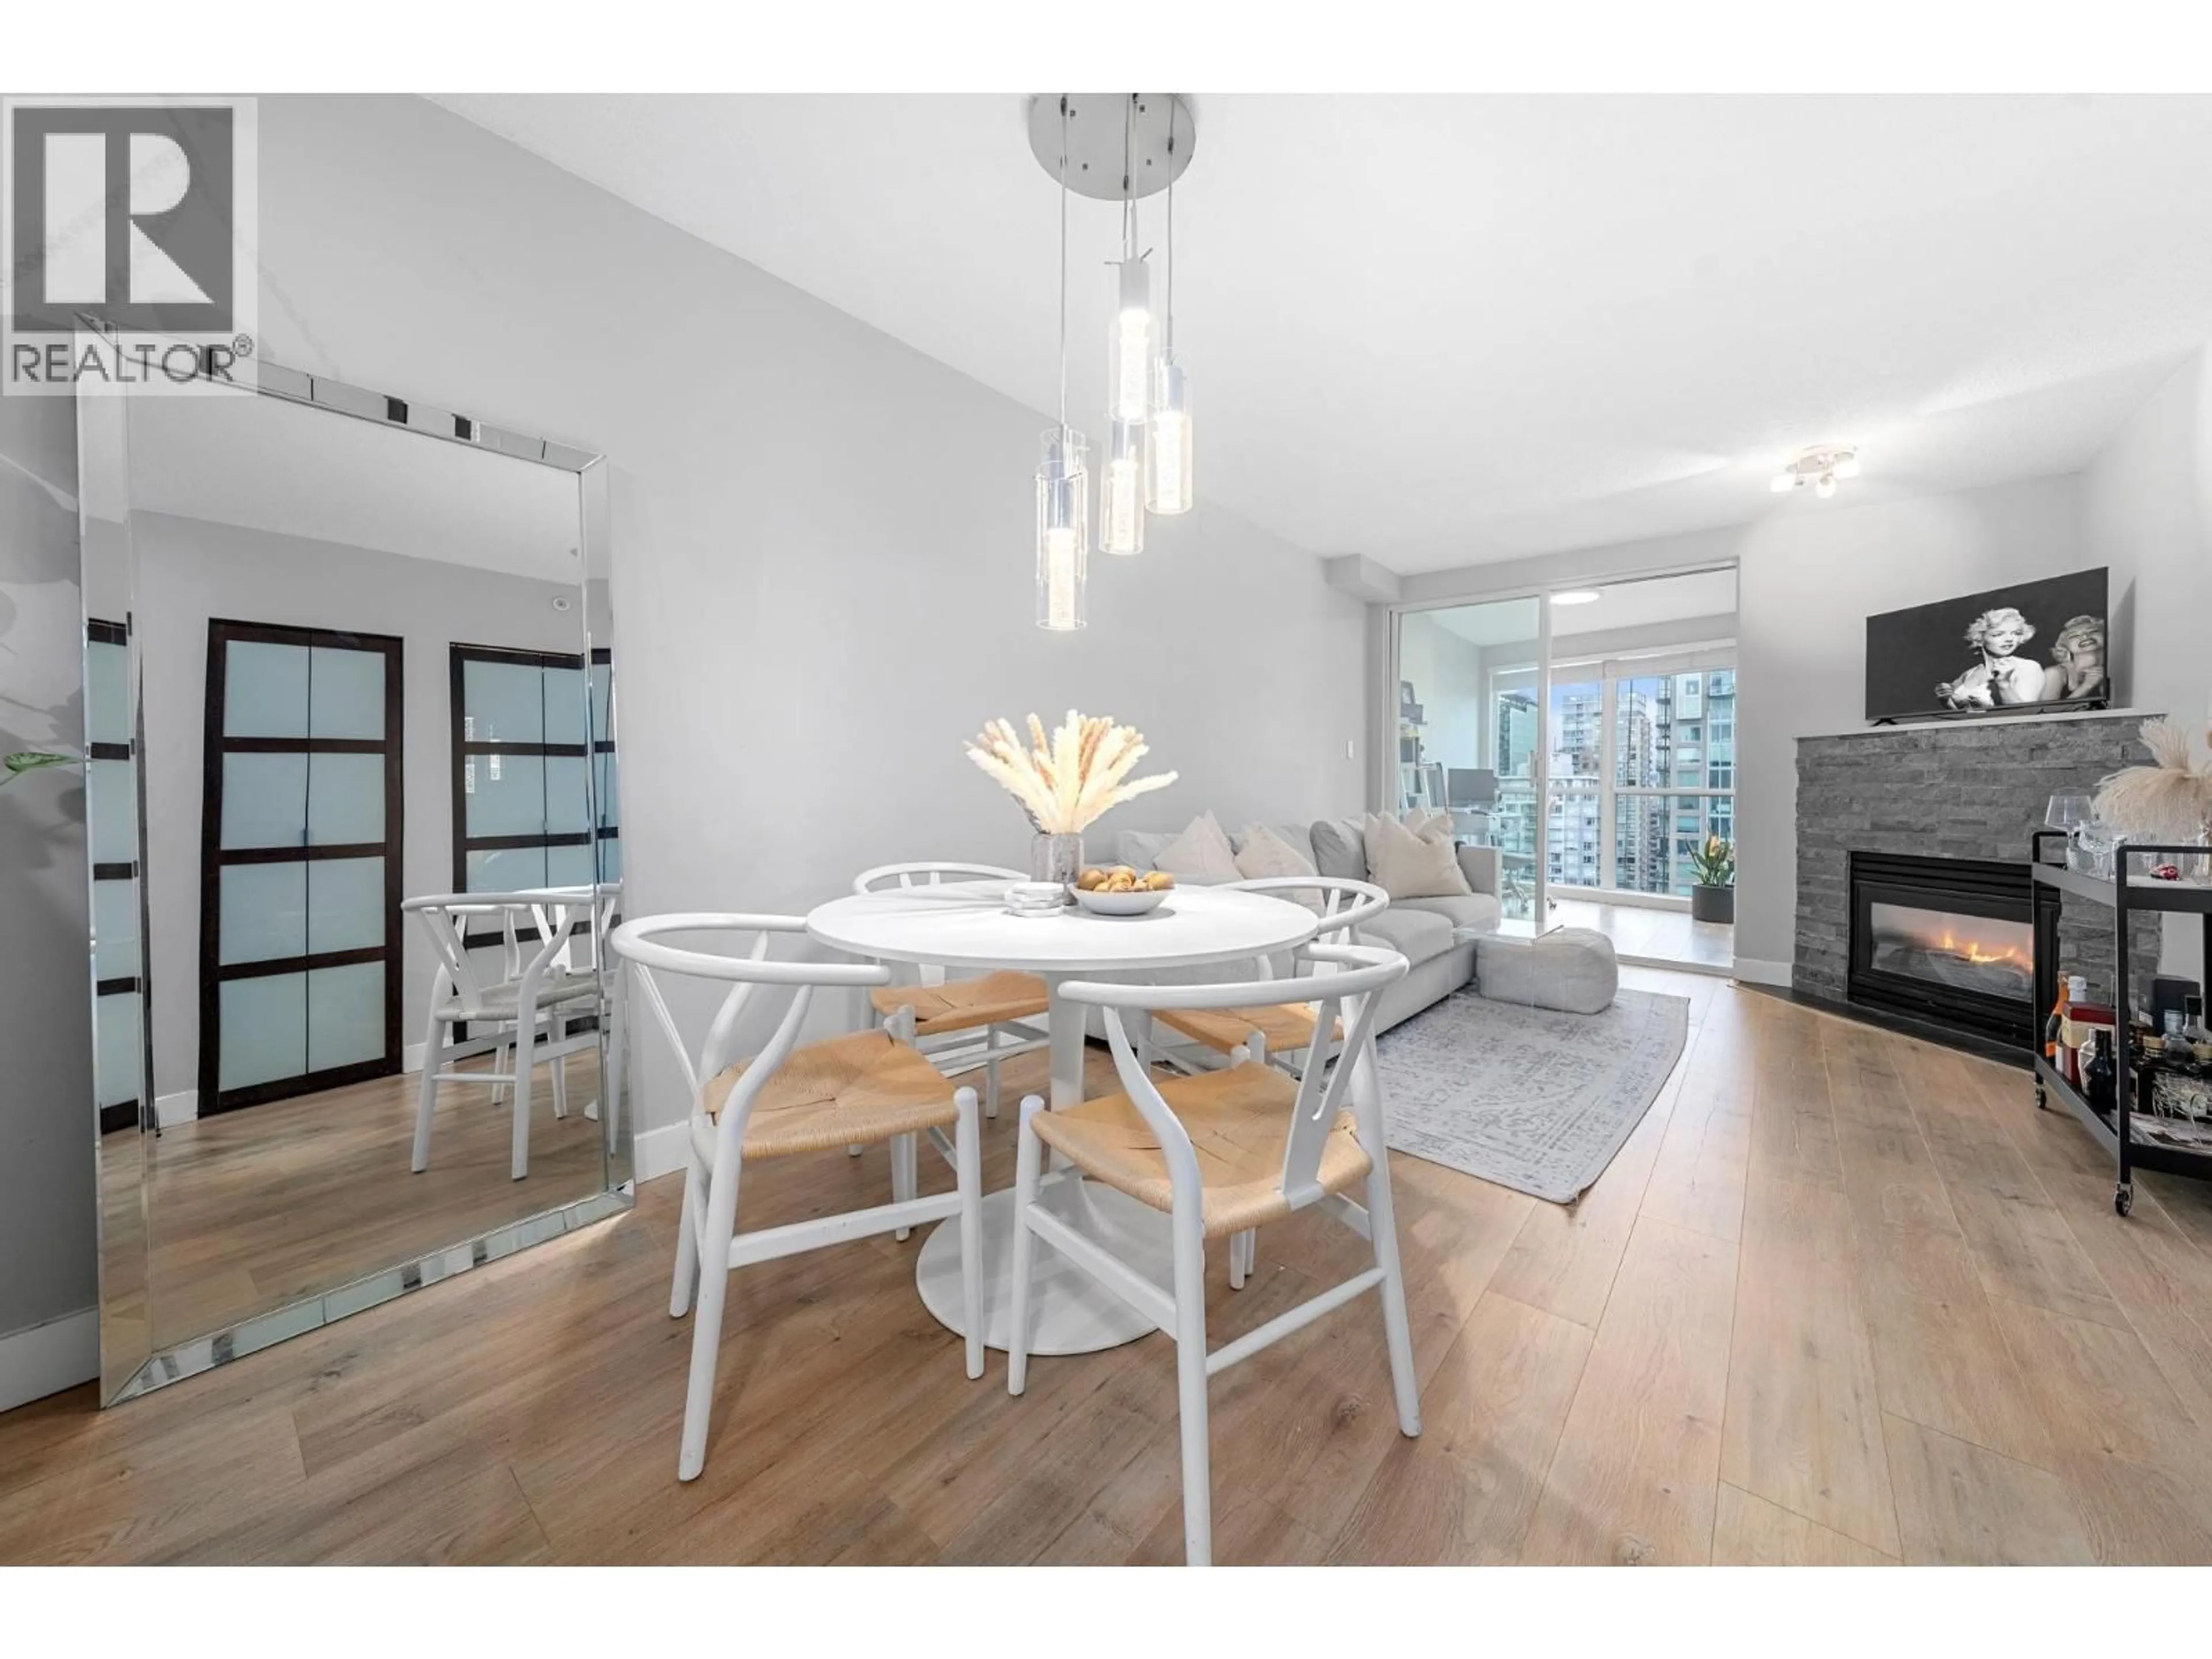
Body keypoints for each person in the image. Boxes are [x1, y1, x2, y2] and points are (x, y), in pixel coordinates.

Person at [1936, 607, 2045, 710]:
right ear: (1980, 638)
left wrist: (2004, 685)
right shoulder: (1969, 673)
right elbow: (1961, 714)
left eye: (2016, 633)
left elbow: (2026, 714)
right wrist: (1946, 699)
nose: (2009, 639)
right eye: (1998, 634)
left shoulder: (2028, 667)